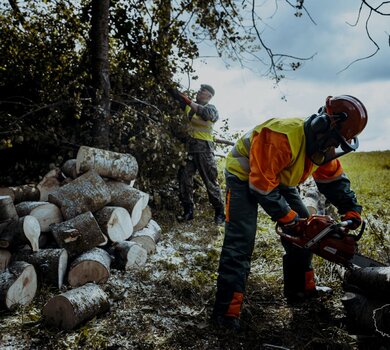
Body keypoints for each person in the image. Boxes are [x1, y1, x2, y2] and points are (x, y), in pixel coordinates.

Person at [212, 95, 368, 330]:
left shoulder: (323, 145)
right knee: (240, 242)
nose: (333, 147)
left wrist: (351, 210)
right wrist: (289, 219)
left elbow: (334, 182)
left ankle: (301, 291)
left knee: (307, 234)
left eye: (339, 144)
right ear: (322, 125)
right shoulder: (282, 136)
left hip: (276, 180)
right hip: (244, 177)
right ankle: (226, 313)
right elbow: (261, 186)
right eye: (334, 141)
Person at [169, 84, 225, 225]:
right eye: (199, 90)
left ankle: (220, 213)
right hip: (190, 149)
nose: (199, 92)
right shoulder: (189, 107)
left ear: (209, 96)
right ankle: (188, 211)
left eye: (203, 91)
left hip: (204, 150)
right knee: (184, 180)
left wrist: (188, 101)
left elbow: (207, 115)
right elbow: (175, 95)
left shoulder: (211, 109)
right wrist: (174, 91)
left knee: (210, 182)